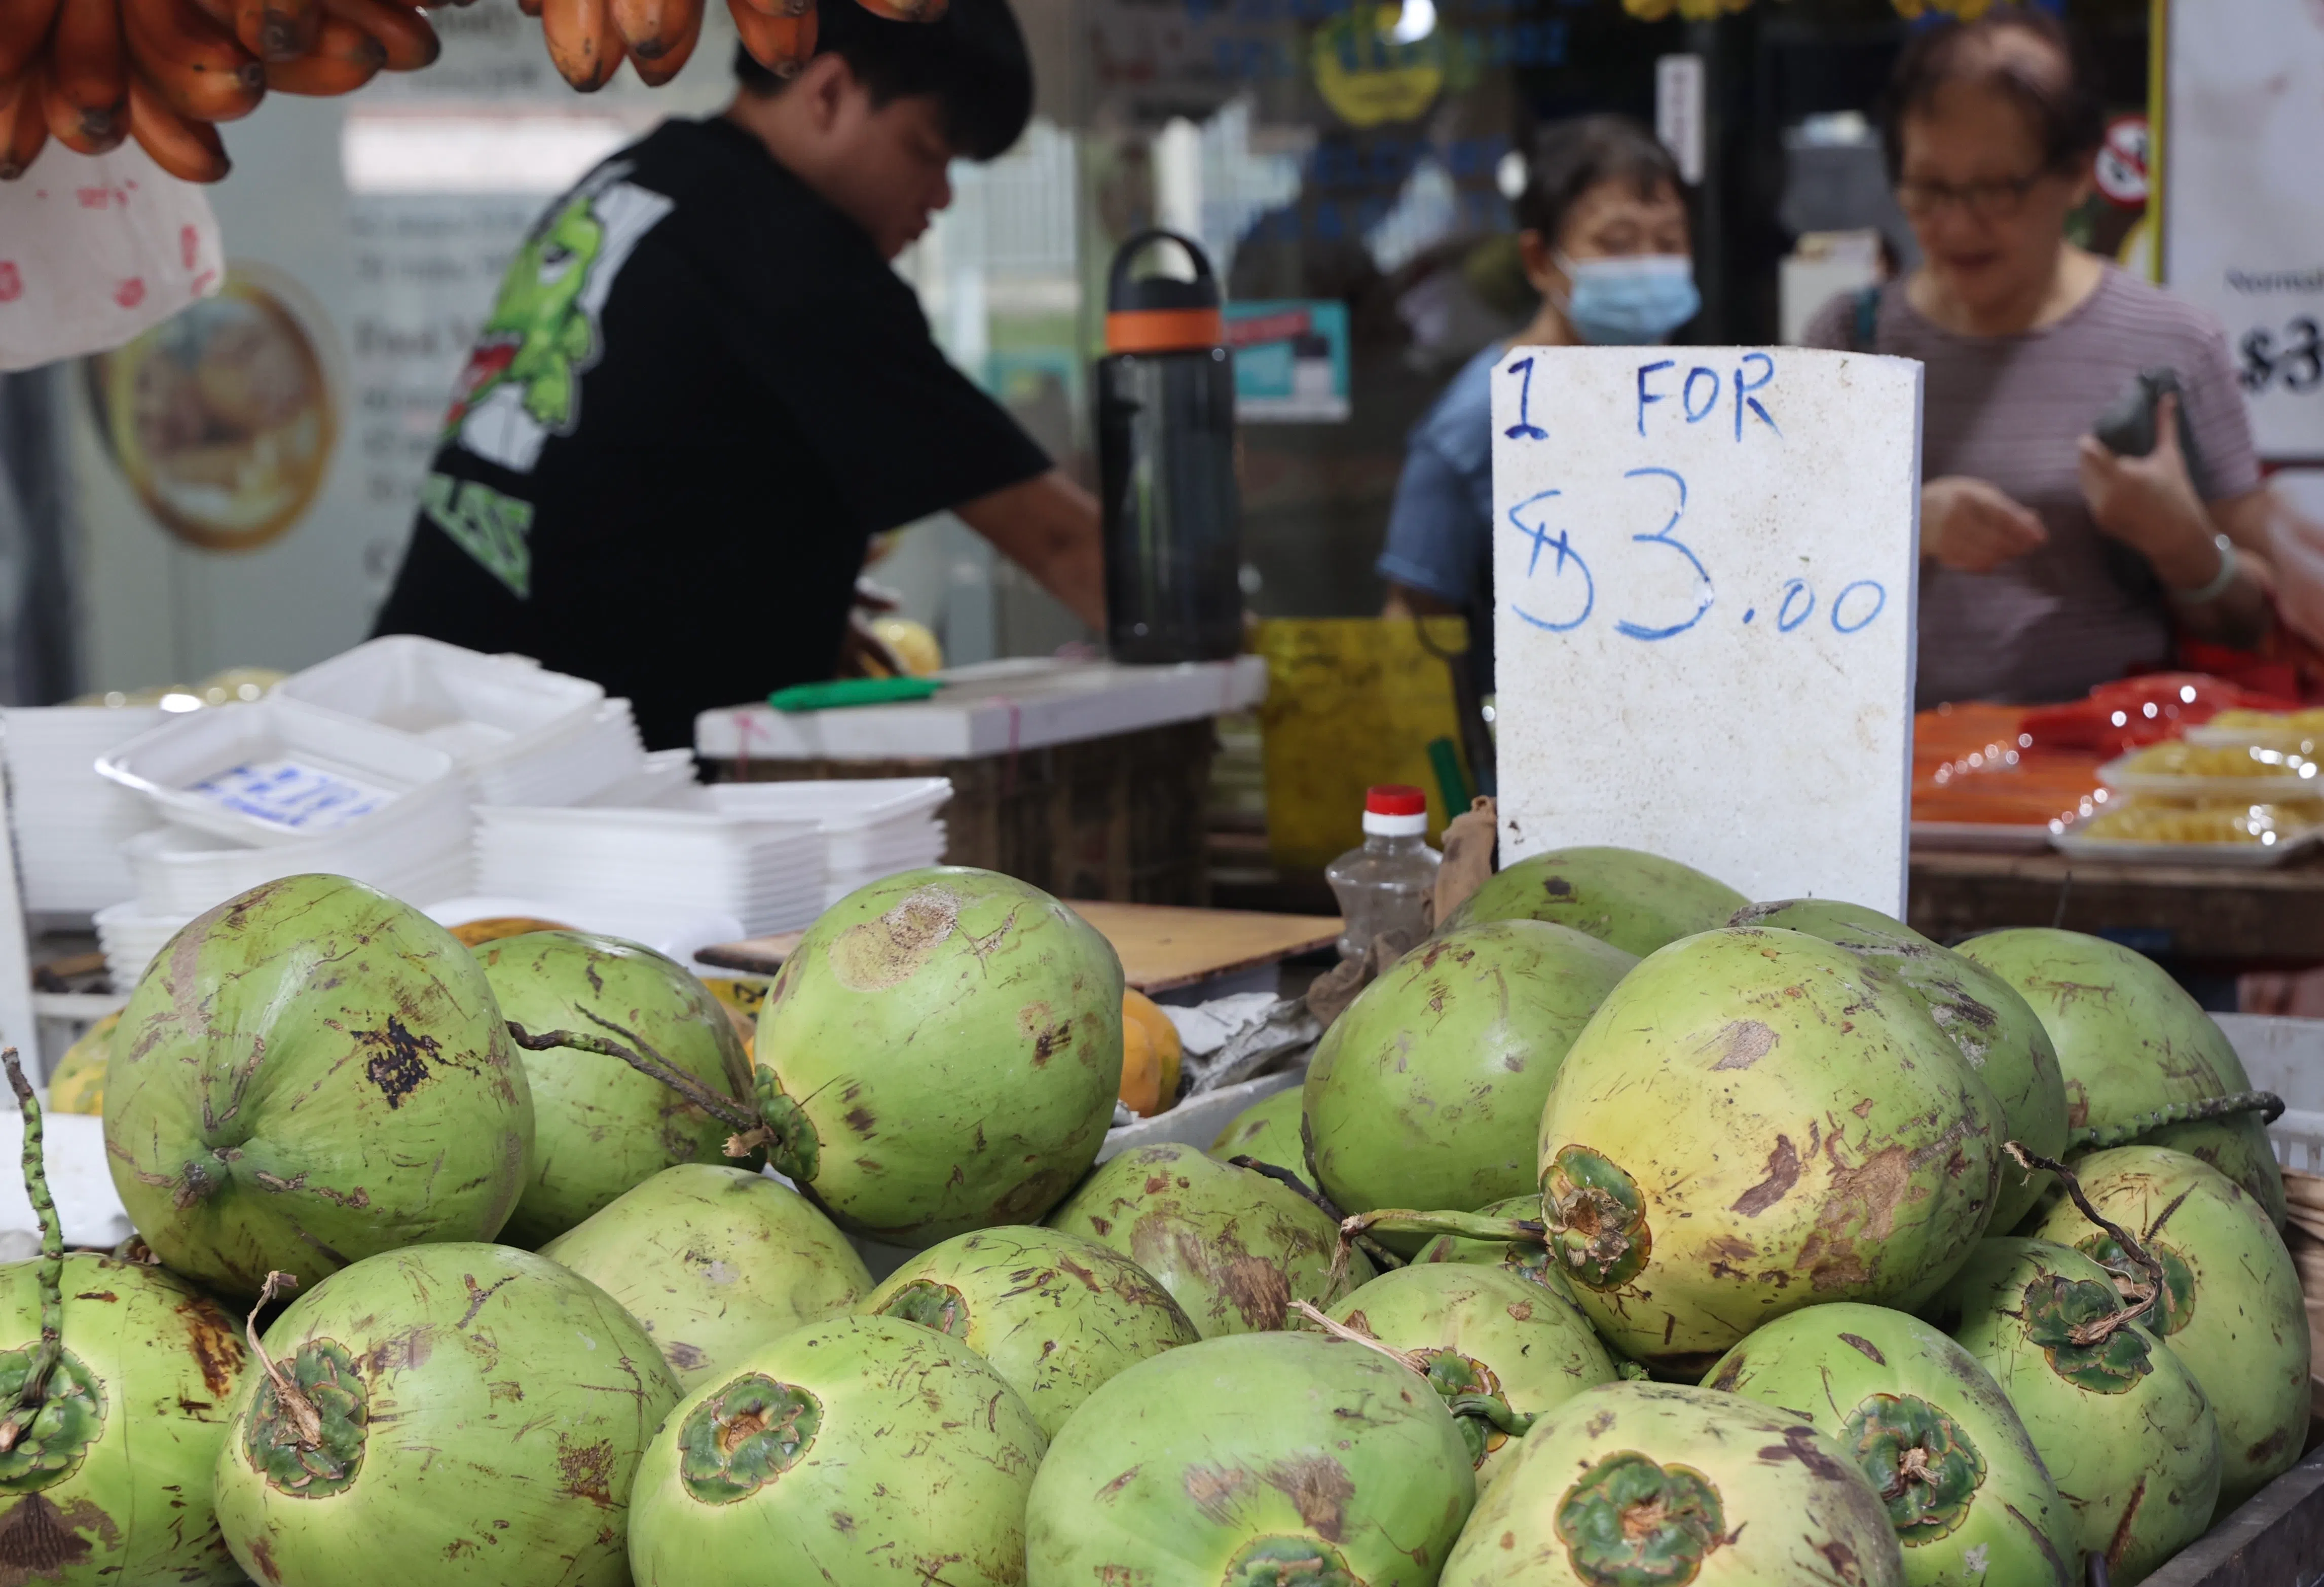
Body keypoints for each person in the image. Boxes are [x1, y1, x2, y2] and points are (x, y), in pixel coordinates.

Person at [373, 0, 1103, 750]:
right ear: (828, 92)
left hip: (416, 727)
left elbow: (622, 470)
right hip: (559, 779)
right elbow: (1059, 543)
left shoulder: (643, 177)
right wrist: (1175, 634)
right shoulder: (796, 258)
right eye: (927, 152)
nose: (941, 198)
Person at [1802, 8, 2276, 709]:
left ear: (2077, 173)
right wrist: (1903, 526)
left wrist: (2183, 545)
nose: (1956, 225)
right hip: (1895, 767)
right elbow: (1771, 577)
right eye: (1929, 189)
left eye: (1995, 191)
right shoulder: (1851, 340)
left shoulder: (2174, 343)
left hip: (2112, 766)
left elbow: (2253, 624)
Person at [1375, 116, 1695, 699]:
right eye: (1617, 244)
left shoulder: (1693, 400)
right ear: (1540, 260)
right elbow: (1413, 623)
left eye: (1670, 243)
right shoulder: (1476, 422)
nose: (1648, 266)